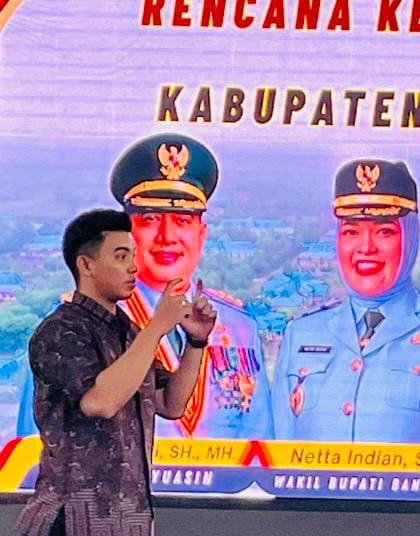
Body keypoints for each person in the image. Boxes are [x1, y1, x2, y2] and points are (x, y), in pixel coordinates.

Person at [17, 209, 216, 536]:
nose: (134, 268)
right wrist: (157, 328)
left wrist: (196, 341)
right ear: (86, 265)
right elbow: (101, 401)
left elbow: (170, 402)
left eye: (133, 256)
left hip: (129, 524)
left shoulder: (126, 332)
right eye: (121, 256)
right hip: (77, 528)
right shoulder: (61, 331)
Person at [15, 133, 272, 439]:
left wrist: (196, 343)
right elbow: (34, 445)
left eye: (183, 221)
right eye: (150, 219)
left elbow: (262, 447)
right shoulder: (75, 325)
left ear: (201, 234)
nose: (167, 237)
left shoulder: (239, 326)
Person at [271, 159, 420, 444]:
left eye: (384, 231)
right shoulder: (302, 332)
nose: (365, 247)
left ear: (410, 237)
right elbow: (279, 457)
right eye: (351, 232)